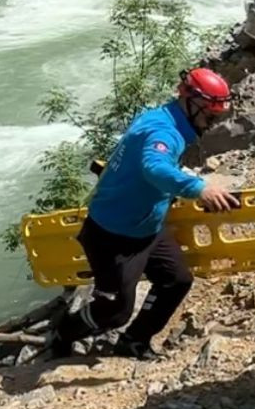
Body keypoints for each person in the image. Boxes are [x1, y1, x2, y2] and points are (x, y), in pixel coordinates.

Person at [48, 68, 241, 360]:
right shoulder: (165, 132)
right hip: (113, 236)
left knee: (176, 280)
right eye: (210, 117)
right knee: (115, 311)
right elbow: (154, 167)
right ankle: (64, 331)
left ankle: (134, 341)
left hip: (146, 225)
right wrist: (198, 188)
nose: (212, 124)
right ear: (191, 103)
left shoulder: (165, 118)